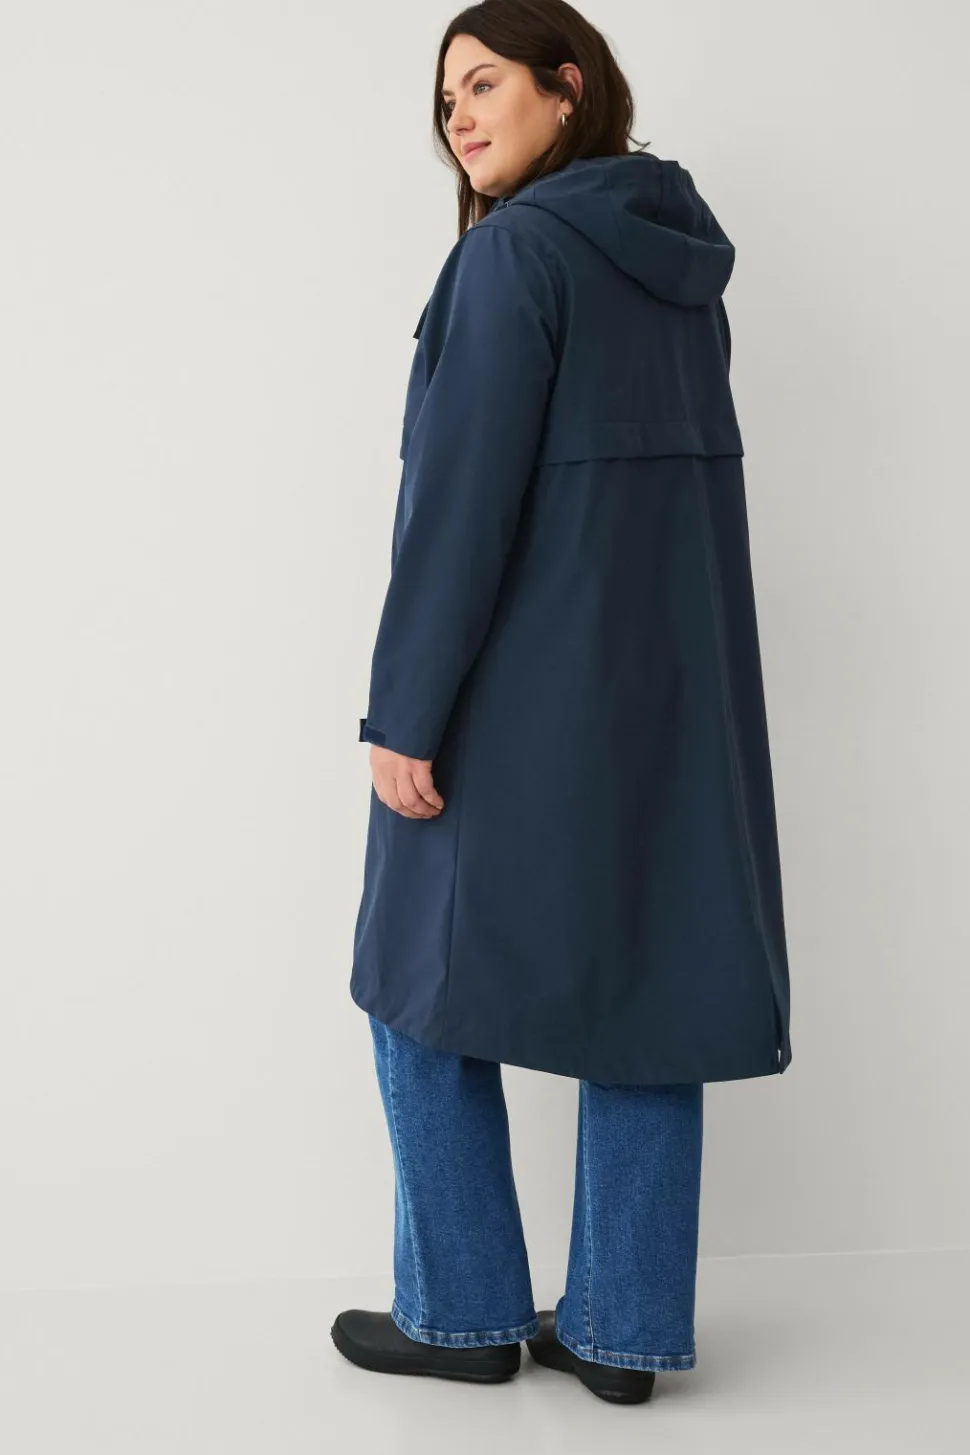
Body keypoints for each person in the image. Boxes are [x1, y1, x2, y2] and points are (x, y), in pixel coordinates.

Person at [332, 0, 793, 1406]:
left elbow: (461, 509)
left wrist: (404, 712)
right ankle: (621, 1328)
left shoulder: (514, 255)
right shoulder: (680, 265)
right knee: (652, 982)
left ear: (568, 86)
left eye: (484, 84)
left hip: (518, 694)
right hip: (671, 698)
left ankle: (463, 1312)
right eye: (446, 100)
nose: (459, 118)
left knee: (409, 982)